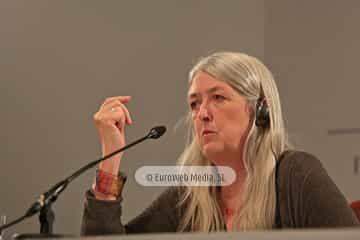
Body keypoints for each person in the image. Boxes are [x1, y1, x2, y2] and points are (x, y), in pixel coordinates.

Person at [81, 52, 359, 235]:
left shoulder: (296, 175)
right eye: (194, 103)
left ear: (260, 110)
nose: (202, 113)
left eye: (218, 98)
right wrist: (111, 156)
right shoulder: (191, 194)